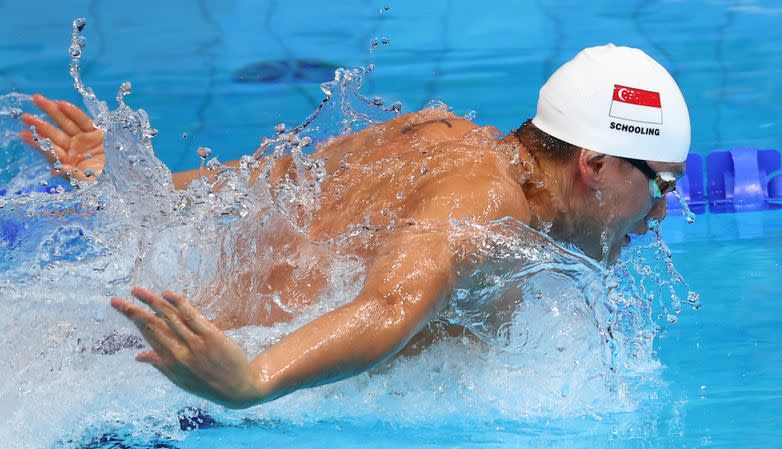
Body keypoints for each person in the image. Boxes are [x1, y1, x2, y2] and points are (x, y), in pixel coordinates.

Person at [20, 44, 688, 409]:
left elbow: (278, 179)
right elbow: (392, 299)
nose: (660, 211)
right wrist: (253, 379)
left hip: (143, 347)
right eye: (659, 183)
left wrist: (148, 185)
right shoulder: (493, 206)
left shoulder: (437, 130)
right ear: (595, 163)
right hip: (191, 393)